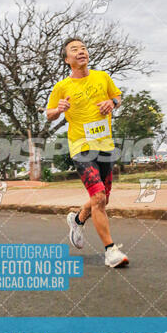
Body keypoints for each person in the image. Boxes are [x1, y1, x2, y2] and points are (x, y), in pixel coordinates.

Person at [47, 37, 129, 268]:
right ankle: (110, 251)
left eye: (83, 48)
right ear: (67, 59)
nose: (81, 52)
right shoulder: (61, 87)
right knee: (99, 197)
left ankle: (77, 219)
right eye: (74, 50)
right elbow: (49, 113)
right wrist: (59, 109)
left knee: (103, 198)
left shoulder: (102, 77)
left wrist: (112, 103)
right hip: (81, 146)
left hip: (105, 145)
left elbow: (118, 97)